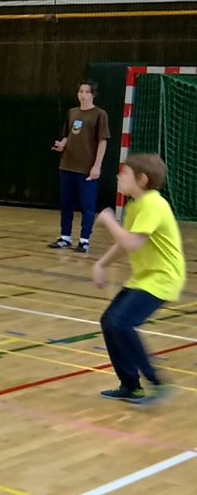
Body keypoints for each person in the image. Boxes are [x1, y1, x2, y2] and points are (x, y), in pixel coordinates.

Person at [91, 153, 186, 403]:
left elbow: (132, 243)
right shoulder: (136, 206)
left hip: (163, 278)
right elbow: (125, 243)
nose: (118, 176)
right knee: (109, 321)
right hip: (145, 278)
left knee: (121, 323)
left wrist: (109, 220)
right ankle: (130, 386)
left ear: (142, 180)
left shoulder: (153, 204)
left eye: (124, 173)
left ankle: (157, 383)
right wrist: (101, 264)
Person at [49, 80, 109, 254]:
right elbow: (69, 134)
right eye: (81, 91)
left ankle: (84, 240)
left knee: (87, 205)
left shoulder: (100, 114)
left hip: (86, 169)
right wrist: (62, 144)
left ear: (93, 94)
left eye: (87, 92)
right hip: (67, 165)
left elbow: (102, 141)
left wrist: (96, 166)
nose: (83, 95)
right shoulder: (72, 112)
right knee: (66, 203)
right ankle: (65, 237)